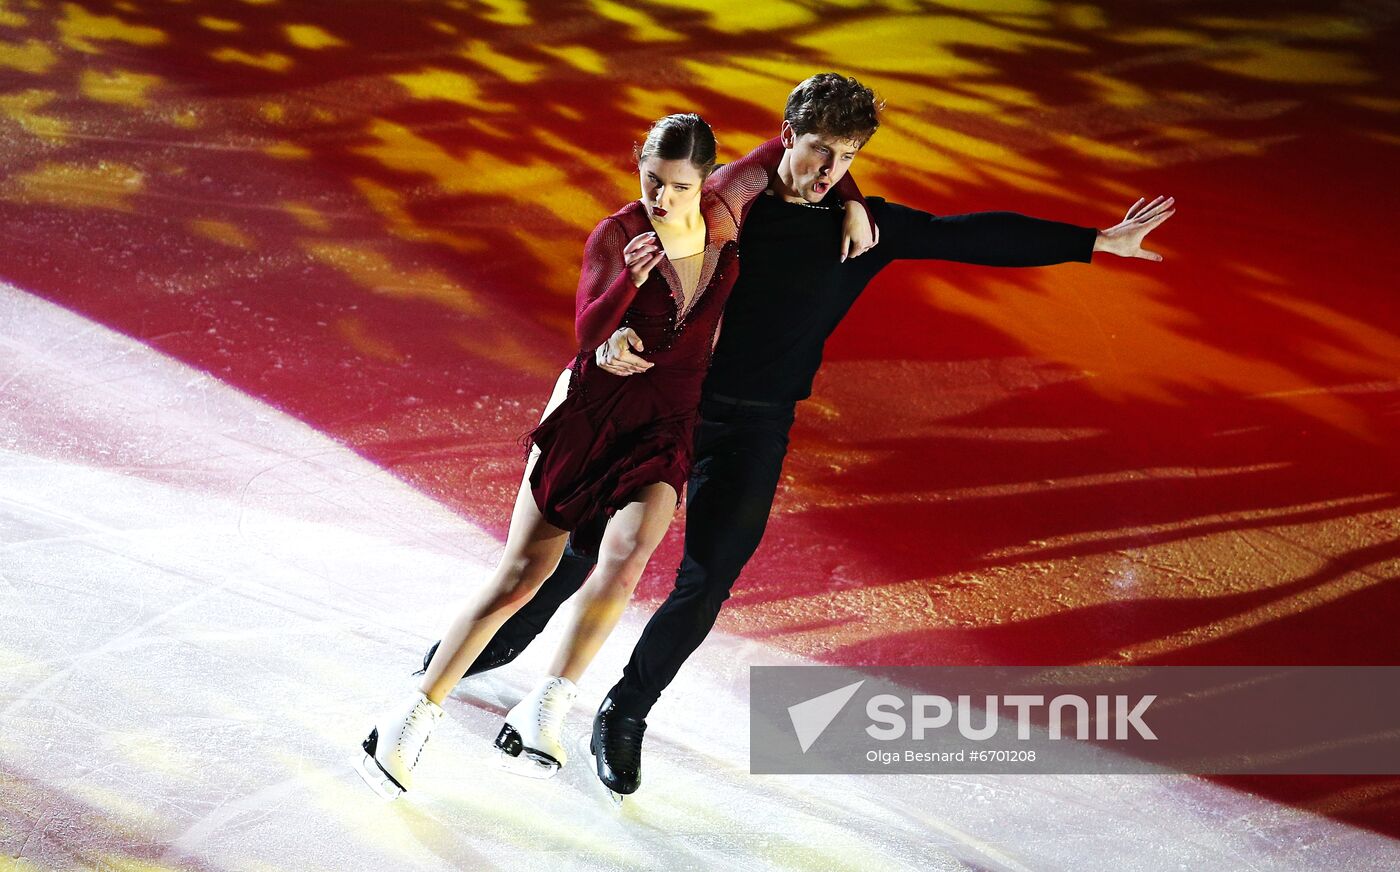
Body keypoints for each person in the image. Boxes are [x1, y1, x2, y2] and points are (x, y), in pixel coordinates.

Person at [424, 72, 1177, 798]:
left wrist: (1093, 242)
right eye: (819, 149)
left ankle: (626, 712)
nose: (829, 170)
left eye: (847, 158)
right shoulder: (735, 210)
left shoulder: (863, 228)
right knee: (585, 545)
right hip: (671, 405)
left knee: (708, 580)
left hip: (755, 427)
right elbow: (677, 208)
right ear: (787, 135)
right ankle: (503, 641)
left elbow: (964, 235)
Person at [355, 112, 872, 800]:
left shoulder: (726, 216)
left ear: (709, 182)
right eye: (651, 180)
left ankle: (545, 706)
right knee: (523, 574)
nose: (661, 198)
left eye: (677, 186)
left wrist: (855, 200)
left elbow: (797, 147)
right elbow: (588, 326)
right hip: (594, 413)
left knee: (627, 558)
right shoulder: (621, 233)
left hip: (665, 423)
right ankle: (408, 715)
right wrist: (625, 294)